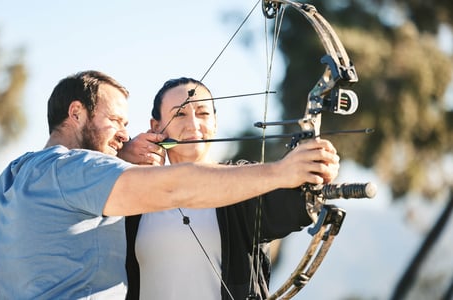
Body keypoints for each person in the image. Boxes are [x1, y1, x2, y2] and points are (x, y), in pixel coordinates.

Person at [0, 70, 340, 299]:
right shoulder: (87, 175)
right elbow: (175, 186)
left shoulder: (17, 173)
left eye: (204, 113)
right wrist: (282, 170)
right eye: (115, 121)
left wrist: (308, 173)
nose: (125, 134)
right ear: (77, 113)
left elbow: (287, 207)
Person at [125, 77, 337, 300]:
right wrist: (121, 157)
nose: (194, 124)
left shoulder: (245, 183)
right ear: (156, 127)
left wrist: (314, 169)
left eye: (204, 113)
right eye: (180, 114)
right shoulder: (134, 192)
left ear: (215, 122)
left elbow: (291, 205)